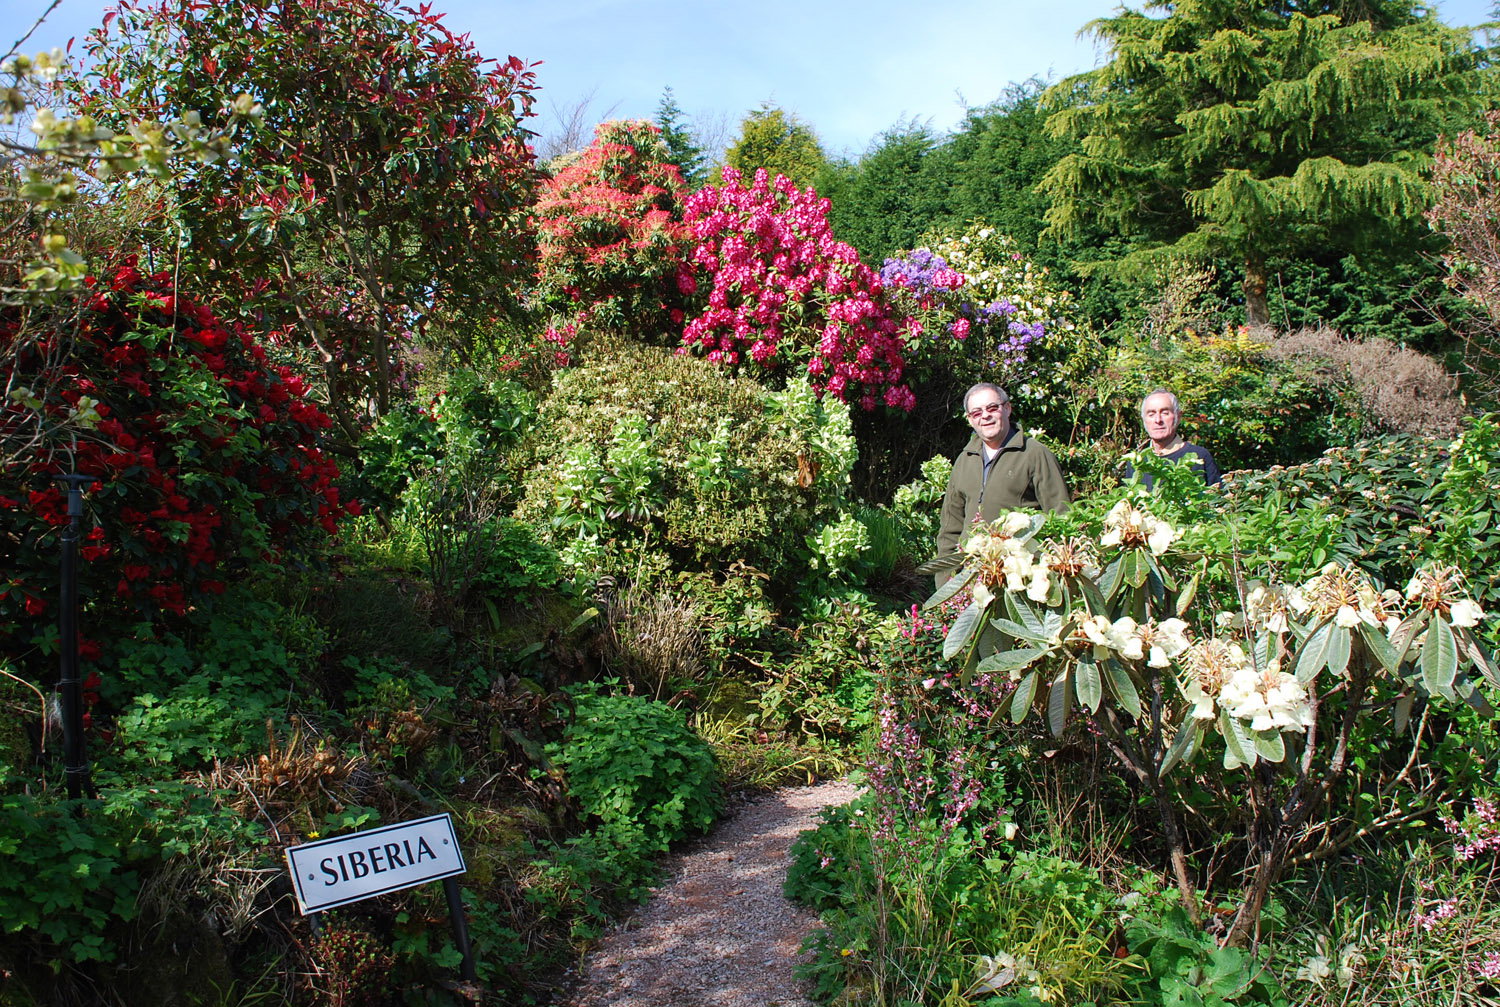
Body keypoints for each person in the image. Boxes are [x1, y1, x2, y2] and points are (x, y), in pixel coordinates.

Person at [935, 382, 1070, 576]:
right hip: (971, 576)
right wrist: (945, 581)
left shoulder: (1035, 454)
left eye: (992, 408)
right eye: (977, 412)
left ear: (1007, 408)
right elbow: (951, 527)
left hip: (1019, 577)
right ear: (970, 419)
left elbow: (1060, 517)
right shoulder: (965, 459)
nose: (985, 416)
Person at [1124, 389, 1221, 488]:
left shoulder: (1199, 456)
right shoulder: (1136, 463)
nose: (1158, 420)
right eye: (1151, 414)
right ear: (1143, 419)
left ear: (1178, 417)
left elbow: (1216, 495)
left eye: (1165, 413)